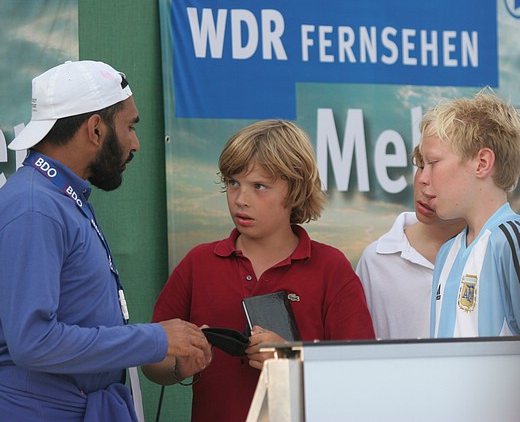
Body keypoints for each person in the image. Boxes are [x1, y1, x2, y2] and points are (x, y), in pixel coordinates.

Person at [0, 60, 212, 421]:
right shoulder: (36, 206)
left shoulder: (60, 197)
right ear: (95, 129)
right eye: (130, 126)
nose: (136, 143)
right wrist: (155, 340)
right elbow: (33, 342)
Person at [142, 119, 375, 422]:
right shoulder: (198, 263)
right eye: (233, 183)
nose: (240, 199)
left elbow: (361, 373)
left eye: (259, 186)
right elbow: (151, 363)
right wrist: (177, 366)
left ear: (295, 190)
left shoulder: (331, 268)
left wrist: (291, 361)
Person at [418, 89, 520, 338]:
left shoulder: (510, 240)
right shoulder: (447, 252)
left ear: (482, 163)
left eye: (433, 163)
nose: (422, 178)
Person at [356, 146, 466, 339]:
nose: (424, 181)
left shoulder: (497, 251)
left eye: (440, 171)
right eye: (421, 165)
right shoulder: (376, 260)